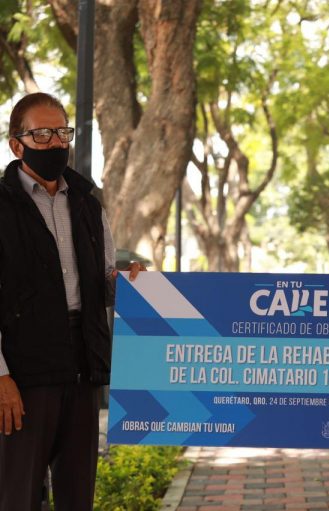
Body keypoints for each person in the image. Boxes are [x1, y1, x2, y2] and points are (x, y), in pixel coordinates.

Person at [0, 92, 144, 511]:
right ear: (16, 144)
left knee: (78, 497)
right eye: (42, 134)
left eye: (62, 133)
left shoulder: (87, 204)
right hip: (23, 377)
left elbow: (103, 282)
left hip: (83, 369)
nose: (55, 143)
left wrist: (130, 284)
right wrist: (1, 377)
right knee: (18, 497)